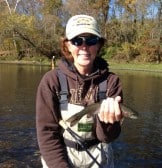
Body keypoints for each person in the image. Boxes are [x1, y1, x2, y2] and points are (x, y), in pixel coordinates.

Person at [36, 15, 123, 168]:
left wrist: (108, 122)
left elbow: (108, 137)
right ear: (67, 45)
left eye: (91, 40)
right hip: (60, 155)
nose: (84, 47)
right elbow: (47, 133)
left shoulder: (111, 82)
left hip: (99, 155)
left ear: (99, 45)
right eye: (77, 41)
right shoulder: (51, 81)